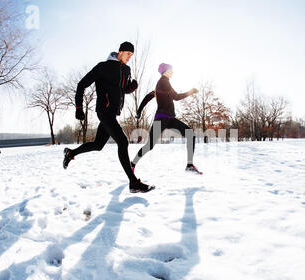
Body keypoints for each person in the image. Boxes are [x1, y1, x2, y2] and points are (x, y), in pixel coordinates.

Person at [63, 41, 155, 193]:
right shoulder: (103, 67)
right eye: (128, 54)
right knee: (123, 142)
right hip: (104, 111)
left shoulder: (126, 69)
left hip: (113, 113)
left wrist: (131, 88)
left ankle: (71, 153)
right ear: (120, 52)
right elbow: (81, 84)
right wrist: (79, 107)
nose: (129, 57)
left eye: (132, 55)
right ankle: (133, 183)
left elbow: (121, 89)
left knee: (98, 145)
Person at [131, 63, 202, 175]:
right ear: (165, 71)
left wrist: (139, 111)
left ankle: (189, 165)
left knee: (190, 134)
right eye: (171, 70)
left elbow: (148, 97)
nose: (172, 72)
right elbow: (176, 97)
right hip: (161, 119)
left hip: (169, 118)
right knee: (149, 146)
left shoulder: (162, 84)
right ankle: (132, 164)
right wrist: (191, 91)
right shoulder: (164, 82)